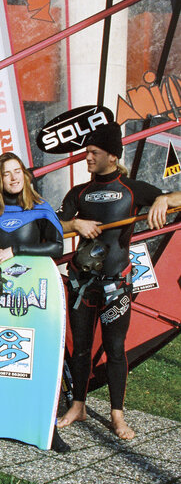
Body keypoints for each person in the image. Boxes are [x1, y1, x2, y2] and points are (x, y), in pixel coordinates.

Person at [55, 122, 181, 440]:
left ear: (112, 157)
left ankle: (117, 416)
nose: (87, 159)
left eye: (93, 153)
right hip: (82, 282)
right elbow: (52, 224)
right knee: (80, 349)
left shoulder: (132, 189)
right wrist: (75, 224)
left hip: (117, 284)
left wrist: (164, 200)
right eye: (87, 153)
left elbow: (176, 197)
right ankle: (78, 406)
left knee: (115, 349)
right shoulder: (77, 193)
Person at [0, 152, 70, 452]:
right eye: (6, 173)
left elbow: (57, 247)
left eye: (17, 171)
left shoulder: (40, 208)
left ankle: (46, 426)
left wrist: (16, 248)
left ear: (25, 174)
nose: (13, 177)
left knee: (37, 358)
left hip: (33, 296)